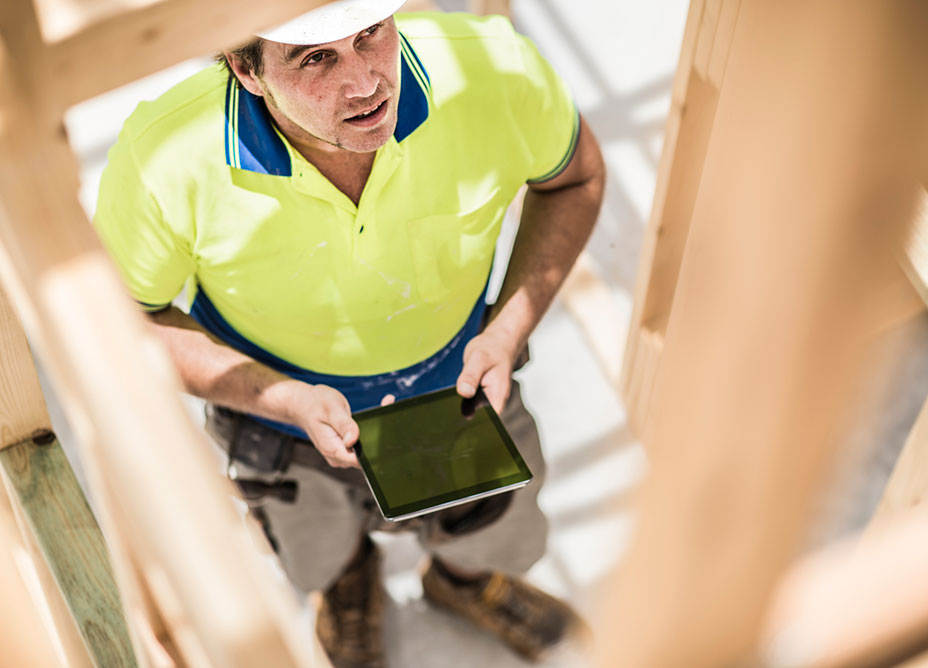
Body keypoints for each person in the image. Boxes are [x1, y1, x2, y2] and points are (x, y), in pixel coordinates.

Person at [94, 1, 604, 665]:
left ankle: (467, 583)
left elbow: (575, 178)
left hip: (459, 383)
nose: (366, 83)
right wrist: (279, 399)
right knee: (317, 548)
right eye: (315, 58)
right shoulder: (164, 159)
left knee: (490, 527)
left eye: (370, 34)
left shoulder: (494, 72)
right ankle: (347, 591)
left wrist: (506, 331)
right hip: (284, 420)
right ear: (245, 69)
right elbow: (119, 319)